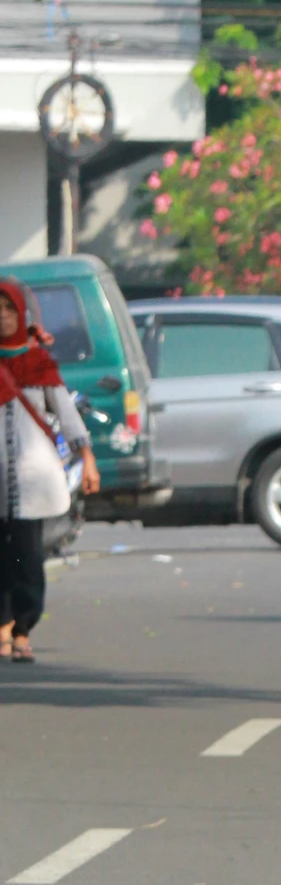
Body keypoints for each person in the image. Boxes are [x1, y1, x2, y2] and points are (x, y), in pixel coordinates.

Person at [0, 276, 97, 665]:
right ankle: (2, 625)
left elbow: (68, 416)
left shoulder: (39, 364)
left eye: (9, 309)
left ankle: (22, 627)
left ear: (21, 315)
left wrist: (87, 457)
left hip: (32, 481)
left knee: (25, 558)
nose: (3, 317)